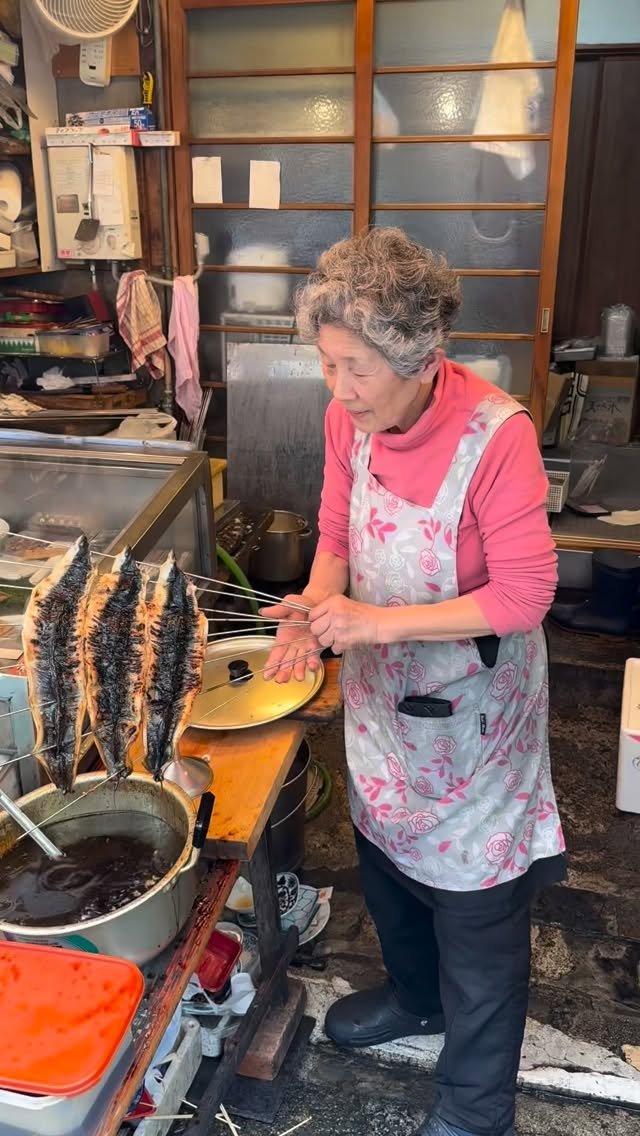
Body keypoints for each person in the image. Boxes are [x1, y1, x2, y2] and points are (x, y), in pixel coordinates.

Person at [262, 228, 565, 1136]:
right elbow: (336, 533)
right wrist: (316, 613)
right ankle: (413, 997)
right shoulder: (347, 420)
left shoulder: (495, 435)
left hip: (474, 716)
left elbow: (524, 593)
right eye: (326, 363)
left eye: (356, 368)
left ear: (421, 357)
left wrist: (373, 625)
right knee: (388, 862)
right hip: (385, 709)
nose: (338, 388)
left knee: (477, 909)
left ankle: (476, 1108)